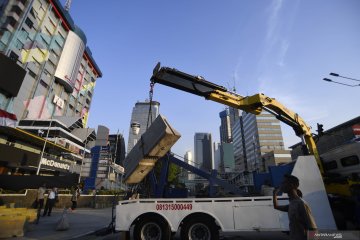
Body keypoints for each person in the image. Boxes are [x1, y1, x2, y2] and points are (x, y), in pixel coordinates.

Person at [273, 174, 317, 240]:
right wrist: (274, 195)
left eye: (284, 183)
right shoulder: (292, 203)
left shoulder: (301, 204)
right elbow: (276, 207)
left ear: (291, 185)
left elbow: (312, 228)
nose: (281, 185)